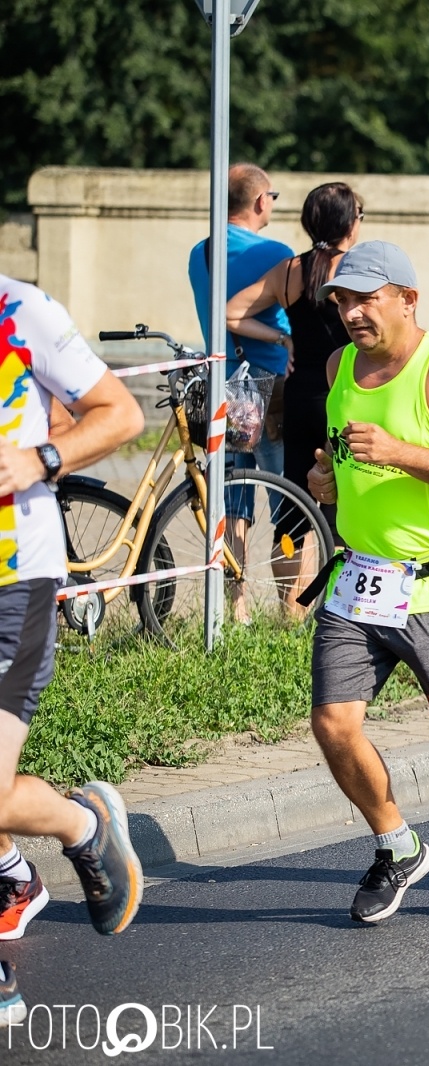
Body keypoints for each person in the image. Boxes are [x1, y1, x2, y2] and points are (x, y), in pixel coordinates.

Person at [303, 241, 429, 922]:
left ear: (406, 299)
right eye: (342, 300)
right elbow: (337, 462)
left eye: (366, 299)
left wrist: (397, 453)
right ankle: (398, 845)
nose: (352, 313)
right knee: (332, 724)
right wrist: (323, 481)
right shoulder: (337, 366)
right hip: (358, 580)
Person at [0, 274, 147, 1019]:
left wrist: (40, 460)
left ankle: (79, 828)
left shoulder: (18, 310)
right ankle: (46, 846)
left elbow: (117, 413)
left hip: (13, 581)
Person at [188, 163, 294, 619]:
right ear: (258, 201)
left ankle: (237, 604)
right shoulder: (277, 252)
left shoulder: (200, 252)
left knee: (234, 498)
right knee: (288, 500)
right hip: (270, 390)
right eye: (272, 196)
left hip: (225, 391)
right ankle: (292, 606)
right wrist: (283, 340)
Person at [226, 181, 363, 520]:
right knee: (342, 505)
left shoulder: (287, 272)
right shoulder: (358, 270)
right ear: (349, 223)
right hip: (345, 394)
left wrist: (283, 339)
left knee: (294, 509)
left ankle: (289, 576)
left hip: (299, 395)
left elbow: (231, 312)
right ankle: (337, 573)